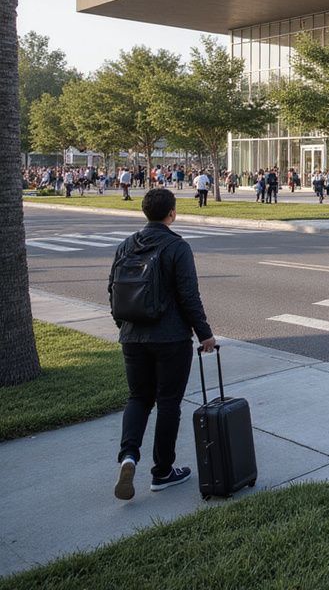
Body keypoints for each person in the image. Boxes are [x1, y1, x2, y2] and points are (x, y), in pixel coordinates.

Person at [109, 188, 217, 500]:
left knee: (138, 399)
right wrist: (204, 334)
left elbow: (113, 290)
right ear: (171, 214)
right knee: (168, 402)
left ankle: (129, 456)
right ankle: (162, 471)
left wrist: (125, 326)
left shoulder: (125, 245)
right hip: (170, 337)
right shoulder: (177, 246)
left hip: (132, 335)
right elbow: (188, 296)